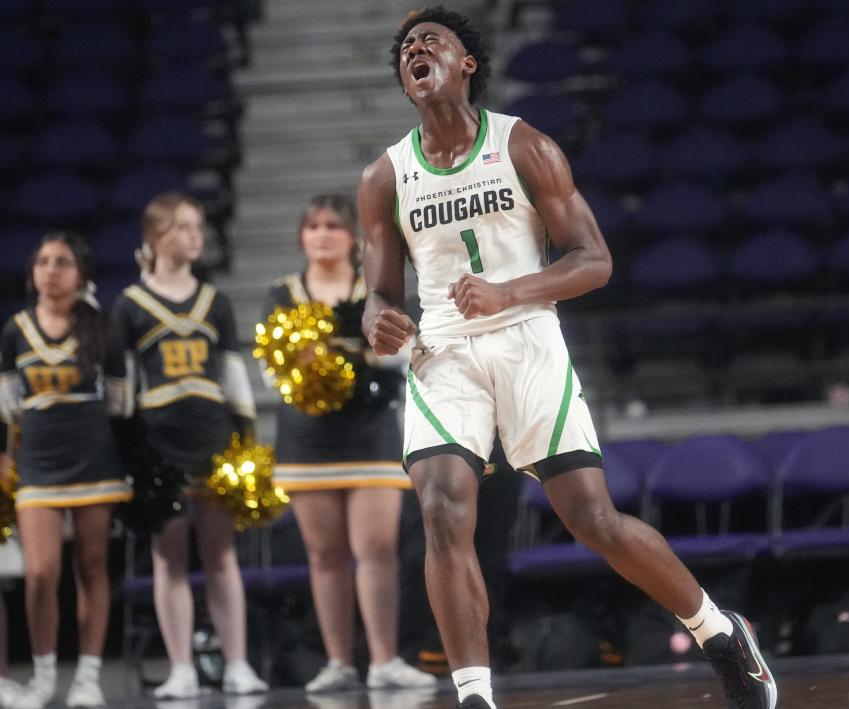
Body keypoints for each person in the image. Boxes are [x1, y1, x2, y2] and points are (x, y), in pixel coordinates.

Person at [357, 7, 778, 709]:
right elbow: (376, 295)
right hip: (443, 351)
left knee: (592, 520)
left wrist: (507, 290)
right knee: (439, 507)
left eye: (434, 39)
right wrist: (378, 321)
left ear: (467, 64)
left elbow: (595, 260)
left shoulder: (526, 147)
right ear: (406, 82)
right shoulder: (385, 176)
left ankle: (718, 630)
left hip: (526, 335)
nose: (417, 48)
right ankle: (474, 697)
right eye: (406, 47)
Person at [262, 195, 436, 692]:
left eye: (332, 226)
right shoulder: (283, 294)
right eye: (312, 225)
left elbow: (407, 350)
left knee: (377, 549)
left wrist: (361, 363)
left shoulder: (378, 291)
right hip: (307, 438)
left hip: (370, 433)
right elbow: (273, 366)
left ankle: (384, 661)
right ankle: (338, 662)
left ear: (354, 239)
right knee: (324, 555)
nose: (321, 235)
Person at [112, 193, 267, 698]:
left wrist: (245, 436)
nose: (195, 236)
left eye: (198, 226)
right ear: (156, 237)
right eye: (182, 227)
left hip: (211, 438)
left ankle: (237, 663)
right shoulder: (130, 305)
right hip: (158, 445)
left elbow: (231, 374)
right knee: (169, 556)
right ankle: (180, 667)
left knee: (221, 555)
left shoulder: (214, 301)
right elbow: (124, 386)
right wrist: (127, 447)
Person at [0, 233, 133, 709]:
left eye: (62, 262)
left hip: (95, 463)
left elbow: (121, 404)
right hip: (37, 466)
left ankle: (88, 677)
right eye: (42, 261)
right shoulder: (15, 330)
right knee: (40, 572)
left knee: (93, 566)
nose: (50, 270)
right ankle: (43, 676)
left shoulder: (103, 329)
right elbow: (5, 409)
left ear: (82, 275)